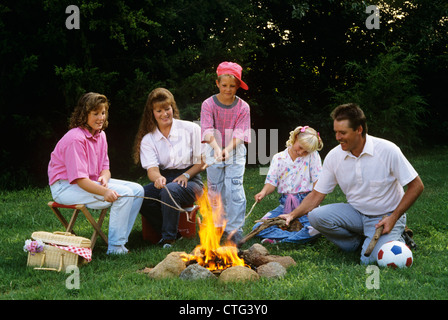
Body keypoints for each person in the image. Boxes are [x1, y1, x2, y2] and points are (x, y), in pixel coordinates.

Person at [280, 103, 424, 264]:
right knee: (316, 216)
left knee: (369, 261)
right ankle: (357, 242)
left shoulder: (388, 150)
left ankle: (397, 236)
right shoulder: (334, 156)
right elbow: (316, 195)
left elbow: (417, 185)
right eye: (336, 132)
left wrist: (394, 217)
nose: (337, 137)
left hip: (386, 216)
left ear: (359, 129)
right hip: (356, 214)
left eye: (343, 133)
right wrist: (291, 215)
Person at [48, 92, 144, 255]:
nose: (100, 117)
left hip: (87, 183)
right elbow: (80, 180)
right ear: (84, 115)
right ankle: (115, 248)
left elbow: (105, 168)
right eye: (95, 113)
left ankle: (120, 241)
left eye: (103, 112)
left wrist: (104, 178)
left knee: (138, 190)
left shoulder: (101, 135)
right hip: (65, 188)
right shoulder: (75, 139)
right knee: (124, 194)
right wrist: (105, 191)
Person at [134, 88, 204, 248]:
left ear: (173, 108)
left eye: (167, 109)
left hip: (192, 180)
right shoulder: (148, 139)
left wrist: (186, 175)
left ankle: (168, 239)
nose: (164, 114)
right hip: (166, 178)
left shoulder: (191, 129)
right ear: (152, 113)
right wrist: (158, 178)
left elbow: (202, 162)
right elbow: (152, 169)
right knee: (140, 195)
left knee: (170, 190)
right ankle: (174, 232)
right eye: (159, 110)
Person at [200, 61, 251, 244]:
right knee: (215, 190)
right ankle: (216, 226)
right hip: (213, 148)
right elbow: (207, 129)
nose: (228, 89)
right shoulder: (208, 104)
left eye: (232, 86)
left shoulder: (243, 107)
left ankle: (234, 229)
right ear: (217, 84)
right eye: (224, 85)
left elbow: (240, 132)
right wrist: (217, 149)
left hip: (235, 151)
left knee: (234, 189)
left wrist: (227, 150)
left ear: (238, 85)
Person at [252, 126, 323, 244]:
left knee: (315, 228)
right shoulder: (279, 158)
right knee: (258, 227)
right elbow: (271, 183)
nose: (301, 152)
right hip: (285, 205)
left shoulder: (313, 156)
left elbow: (318, 184)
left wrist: (313, 204)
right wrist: (263, 192)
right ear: (295, 138)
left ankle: (280, 240)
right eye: (300, 147)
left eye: (305, 151)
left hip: (307, 205)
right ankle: (295, 237)